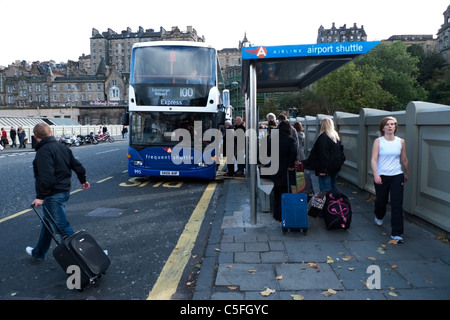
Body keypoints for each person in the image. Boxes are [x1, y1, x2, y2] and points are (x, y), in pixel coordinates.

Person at [26, 123, 91, 260]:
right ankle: (39, 253)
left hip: (52, 195)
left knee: (63, 229)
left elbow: (47, 178)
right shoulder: (62, 147)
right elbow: (77, 166)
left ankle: (87, 259)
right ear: (51, 132)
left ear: (35, 137)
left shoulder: (43, 152)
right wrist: (83, 180)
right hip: (64, 191)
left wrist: (40, 197)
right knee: (49, 222)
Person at [370, 116, 409, 243]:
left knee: (397, 204)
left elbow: (404, 159)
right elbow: (373, 160)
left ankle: (396, 233)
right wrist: (376, 174)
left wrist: (407, 173)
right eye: (387, 124)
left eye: (392, 124)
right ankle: (379, 215)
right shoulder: (378, 141)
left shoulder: (401, 141)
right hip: (382, 176)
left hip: (397, 175)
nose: (390, 126)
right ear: (383, 127)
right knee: (381, 201)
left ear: (395, 127)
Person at [304, 118, 345, 194]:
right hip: (335, 167)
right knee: (333, 187)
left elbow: (323, 155)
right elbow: (340, 152)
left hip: (326, 168)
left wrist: (322, 170)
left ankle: (327, 205)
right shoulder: (336, 137)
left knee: (325, 190)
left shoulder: (323, 138)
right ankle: (335, 204)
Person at [268, 121, 298, 221]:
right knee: (285, 191)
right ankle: (284, 214)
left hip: (274, 169)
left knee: (277, 191)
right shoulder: (291, 140)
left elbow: (267, 152)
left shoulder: (272, 139)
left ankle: (277, 214)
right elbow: (293, 153)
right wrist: (291, 166)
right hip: (286, 169)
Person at [293, 121, 315, 197]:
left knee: (297, 170)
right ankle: (303, 185)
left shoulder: (295, 135)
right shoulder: (302, 135)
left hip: (298, 154)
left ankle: (298, 185)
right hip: (302, 154)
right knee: (302, 170)